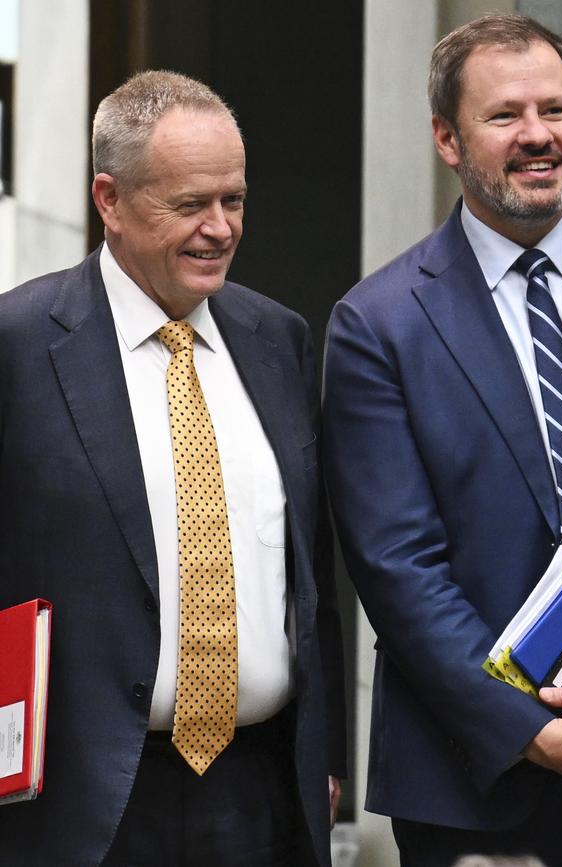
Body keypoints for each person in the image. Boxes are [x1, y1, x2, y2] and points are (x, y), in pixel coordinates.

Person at [323, 12, 562, 867]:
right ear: (446, 137)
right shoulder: (377, 325)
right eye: (505, 115)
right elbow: (398, 569)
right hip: (473, 783)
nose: (538, 135)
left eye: (556, 109)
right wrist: (536, 734)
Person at [0, 70, 345, 866]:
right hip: (84, 807)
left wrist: (320, 757)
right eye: (190, 204)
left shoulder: (279, 339)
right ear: (110, 200)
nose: (220, 228)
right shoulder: (20, 347)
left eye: (235, 200)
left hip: (261, 798)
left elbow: (310, 577)